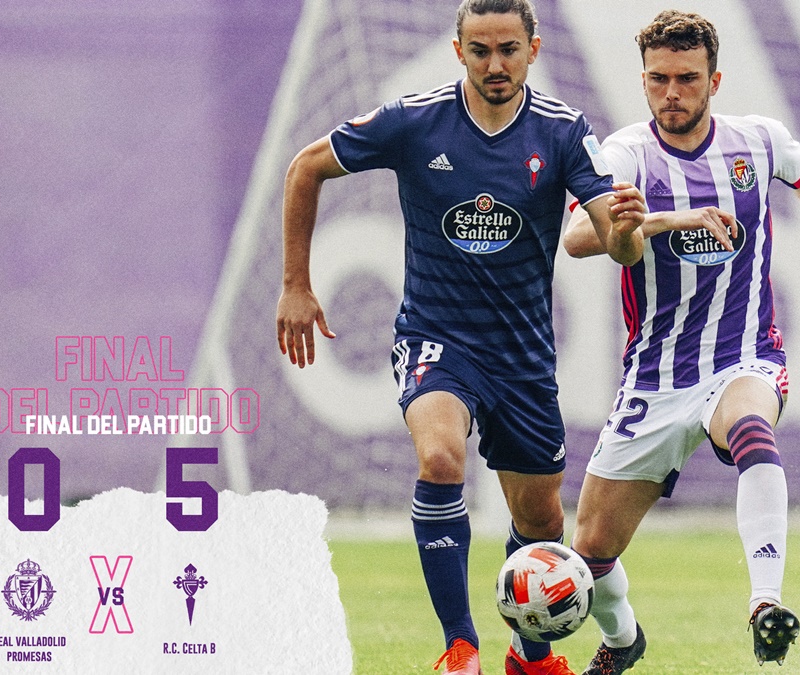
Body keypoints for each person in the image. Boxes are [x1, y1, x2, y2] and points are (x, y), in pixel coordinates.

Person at [562, 10, 800, 673]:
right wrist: (657, 221)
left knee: (751, 426)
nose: (671, 93)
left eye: (686, 79)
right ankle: (624, 642)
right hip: (653, 380)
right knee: (589, 551)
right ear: (644, 79)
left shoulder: (758, 142)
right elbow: (578, 239)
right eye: (658, 80)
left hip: (742, 357)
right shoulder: (625, 154)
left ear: (715, 79)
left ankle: (766, 603)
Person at [275, 1, 644, 674]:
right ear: (458, 51)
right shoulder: (414, 120)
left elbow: (617, 246)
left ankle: (531, 658)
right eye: (481, 50)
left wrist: (624, 227)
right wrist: (296, 284)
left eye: (508, 48)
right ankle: (460, 646)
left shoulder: (563, 132)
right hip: (436, 337)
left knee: (539, 519)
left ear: (533, 48)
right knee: (441, 458)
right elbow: (305, 167)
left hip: (523, 356)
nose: (495, 64)